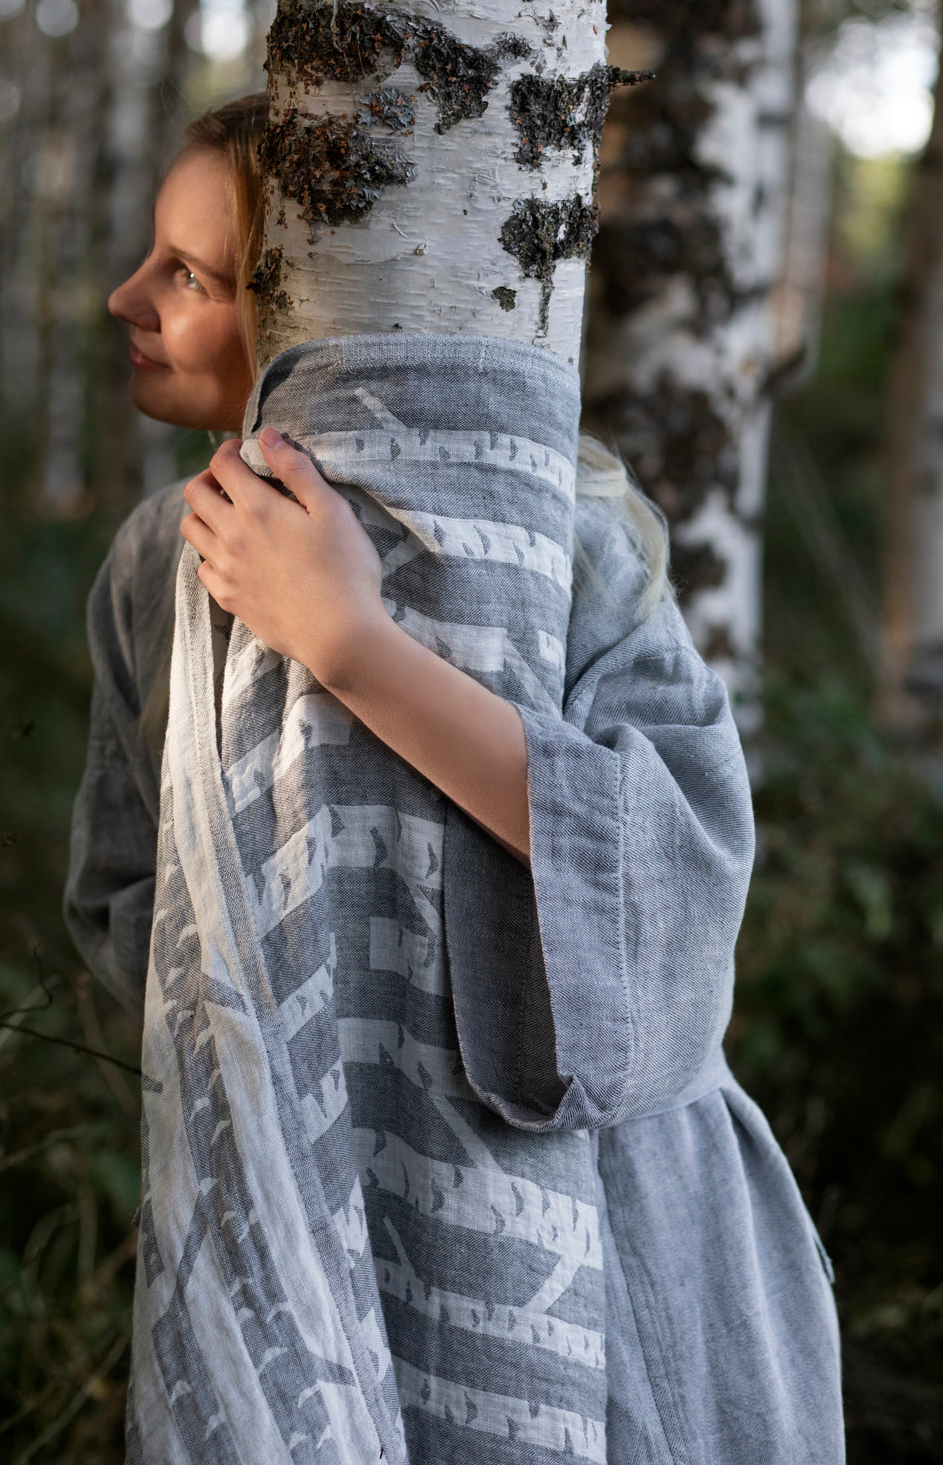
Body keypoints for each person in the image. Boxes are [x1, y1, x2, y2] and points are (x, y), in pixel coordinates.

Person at [65, 94, 845, 1463]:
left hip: (618, 1255)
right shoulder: (151, 566)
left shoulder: (566, 540)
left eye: (188, 275)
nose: (125, 299)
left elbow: (677, 895)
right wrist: (295, 1046)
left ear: (308, 317)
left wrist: (350, 647)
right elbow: (124, 894)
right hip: (295, 1212)